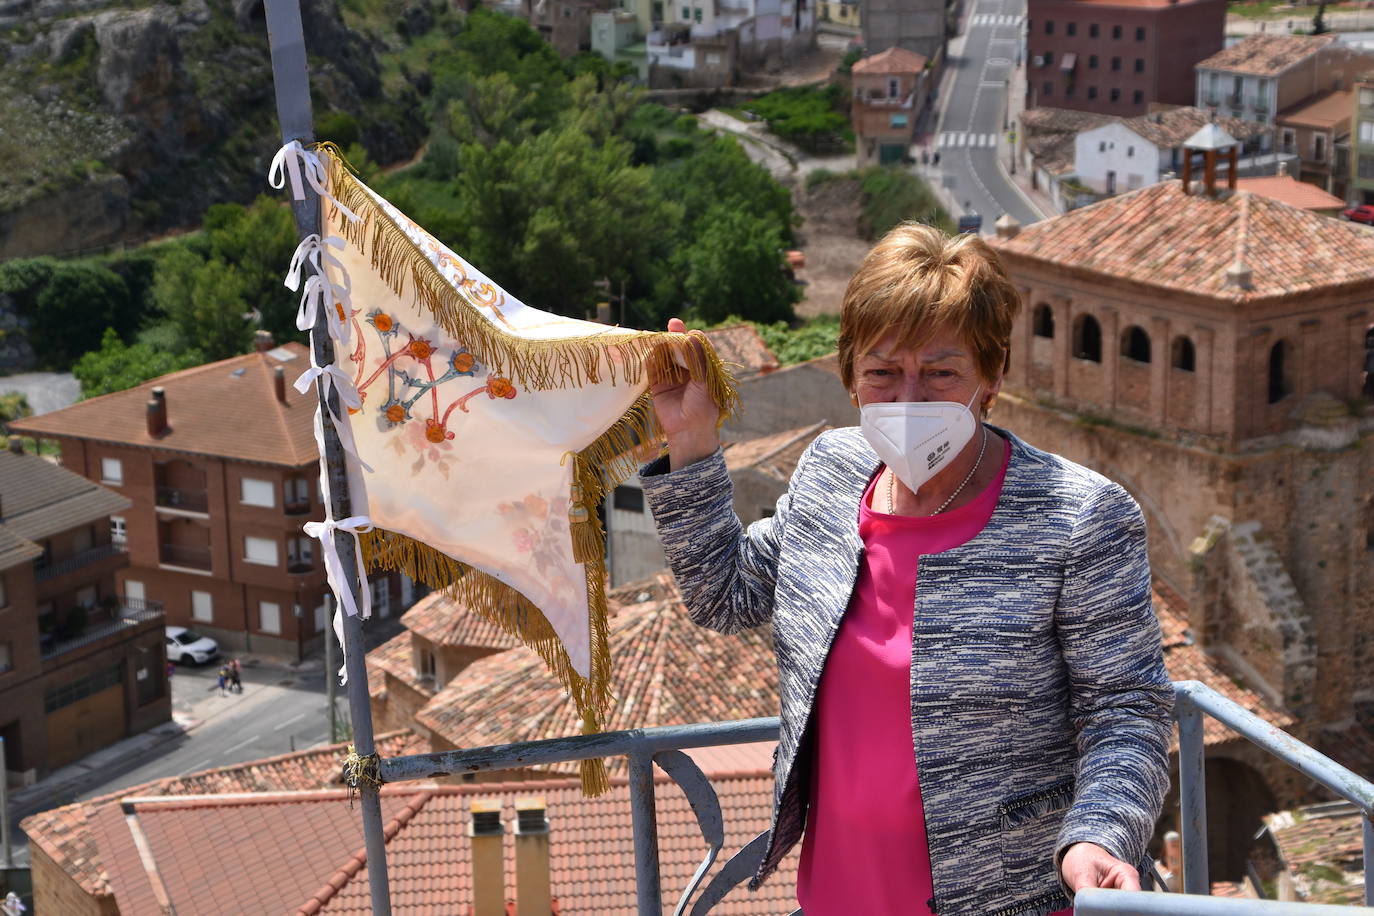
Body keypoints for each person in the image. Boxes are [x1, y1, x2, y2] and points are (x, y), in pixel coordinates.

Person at [642, 223, 1173, 915]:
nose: (910, 398)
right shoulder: (831, 472)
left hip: (1002, 899)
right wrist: (691, 442)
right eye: (883, 372)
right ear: (851, 379)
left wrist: (1100, 832)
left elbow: (1127, 710)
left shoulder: (1079, 518)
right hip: (837, 894)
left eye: (941, 372)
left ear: (993, 375)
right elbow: (725, 596)